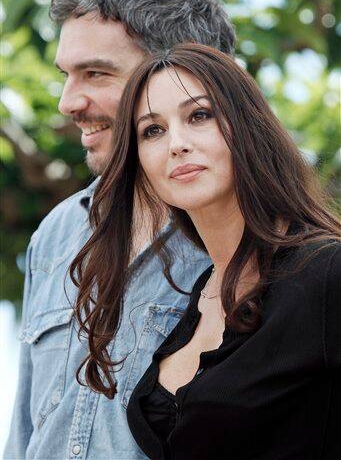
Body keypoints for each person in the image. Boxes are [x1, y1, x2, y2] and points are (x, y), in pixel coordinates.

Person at [4, 0, 236, 460]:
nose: (68, 102)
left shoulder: (249, 237)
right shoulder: (60, 231)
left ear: (181, 73)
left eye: (95, 73)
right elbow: (24, 433)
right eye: (66, 74)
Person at [72, 43, 341, 460]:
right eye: (152, 130)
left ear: (247, 125)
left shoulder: (325, 272)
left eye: (199, 116)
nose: (176, 144)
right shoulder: (197, 295)